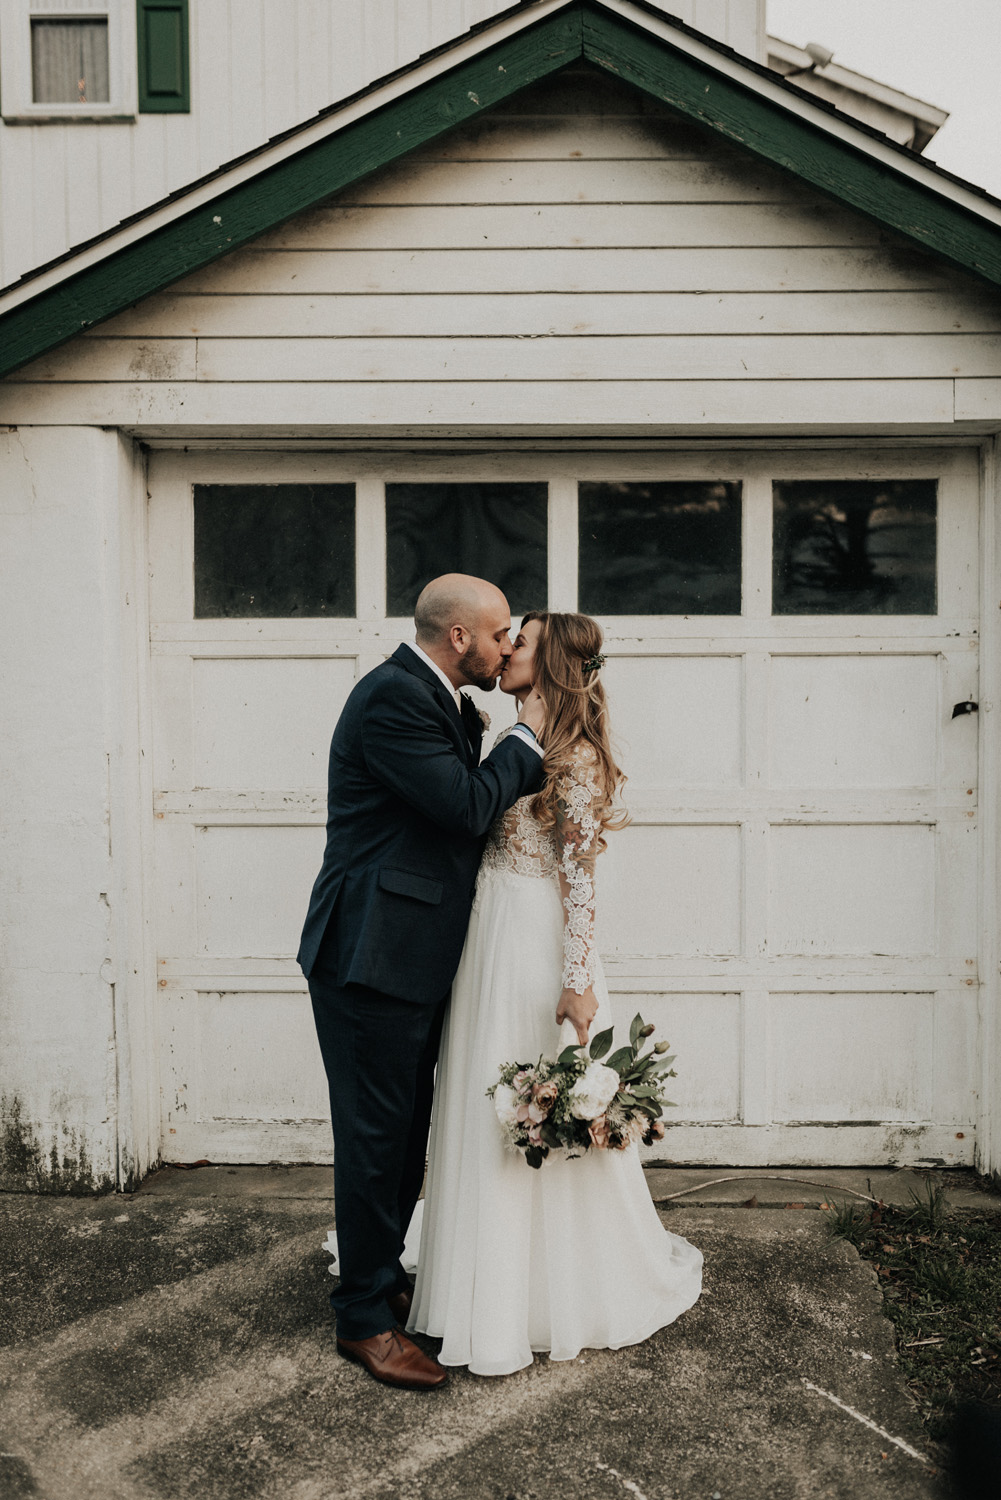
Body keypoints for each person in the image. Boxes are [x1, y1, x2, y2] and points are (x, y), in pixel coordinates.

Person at [407, 611, 703, 1375]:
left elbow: (579, 874)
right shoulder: (512, 738)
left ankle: (539, 1290)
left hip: (535, 943)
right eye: (504, 635)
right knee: (481, 1100)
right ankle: (474, 1269)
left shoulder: (567, 758)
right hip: (488, 933)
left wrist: (576, 978)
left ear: (555, 666)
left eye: (521, 641)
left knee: (537, 1099)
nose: (504, 648)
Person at [298, 574, 546, 1390]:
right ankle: (363, 1320)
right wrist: (529, 738)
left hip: (410, 952)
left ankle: (381, 1278)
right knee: (376, 1140)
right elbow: (465, 807)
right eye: (501, 632)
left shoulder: (431, 693)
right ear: (459, 638)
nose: (510, 645)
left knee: (402, 1137)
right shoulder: (393, 700)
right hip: (371, 954)